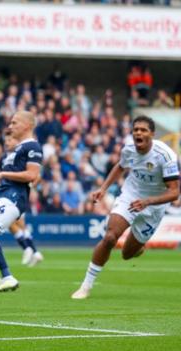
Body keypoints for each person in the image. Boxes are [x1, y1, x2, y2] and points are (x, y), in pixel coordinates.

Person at [72, 116, 179, 299]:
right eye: (136, 129)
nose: (138, 132)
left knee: (127, 255)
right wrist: (103, 188)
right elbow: (120, 167)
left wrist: (148, 202)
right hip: (131, 196)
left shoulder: (166, 156)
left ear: (152, 134)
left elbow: (174, 193)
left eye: (143, 130)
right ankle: (86, 286)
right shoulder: (129, 149)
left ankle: (138, 247)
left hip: (154, 206)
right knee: (110, 237)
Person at [0, 111, 42, 293]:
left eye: (14, 123)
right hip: (3, 195)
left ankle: (8, 276)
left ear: (27, 125)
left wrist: (2, 174)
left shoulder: (33, 147)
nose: (10, 126)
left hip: (14, 198)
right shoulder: (15, 151)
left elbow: (32, 175)